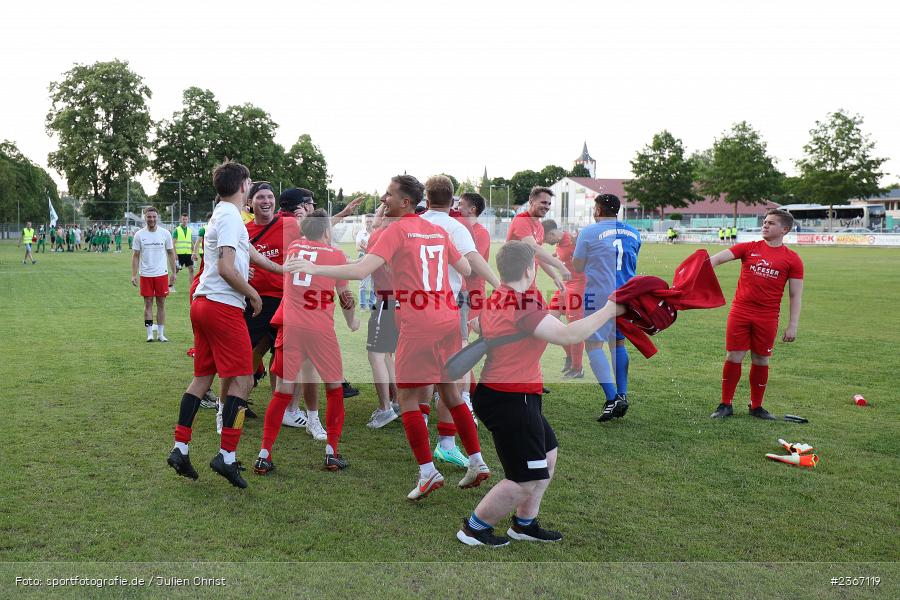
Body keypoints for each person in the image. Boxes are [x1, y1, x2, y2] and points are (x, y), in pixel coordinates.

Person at [285, 174, 490, 501]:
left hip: (419, 322)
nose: (382, 199)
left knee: (408, 400)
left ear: (405, 202)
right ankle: (477, 462)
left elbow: (358, 271)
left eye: (388, 195)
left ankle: (427, 473)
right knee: (450, 393)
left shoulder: (395, 231)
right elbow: (466, 269)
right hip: (448, 318)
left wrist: (312, 269)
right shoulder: (437, 229)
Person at [456, 241, 625, 547]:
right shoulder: (523, 304)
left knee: (546, 457)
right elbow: (569, 336)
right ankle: (474, 528)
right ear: (530, 269)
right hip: (509, 398)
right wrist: (609, 310)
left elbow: (485, 326)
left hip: (513, 394)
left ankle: (524, 525)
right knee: (524, 478)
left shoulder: (500, 297)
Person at [167, 161, 263, 489]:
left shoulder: (220, 213)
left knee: (202, 378)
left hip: (202, 303)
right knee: (244, 381)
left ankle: (180, 448)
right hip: (222, 306)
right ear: (243, 186)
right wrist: (253, 294)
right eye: (249, 184)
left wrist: (279, 270)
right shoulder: (233, 217)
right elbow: (226, 267)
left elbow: (241, 255)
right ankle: (228, 456)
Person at [255, 209, 360, 474]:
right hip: (319, 327)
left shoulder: (293, 247)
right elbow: (345, 295)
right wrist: (352, 322)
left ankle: (264, 454)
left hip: (291, 327)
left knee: (282, 392)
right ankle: (331, 453)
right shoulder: (335, 255)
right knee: (335, 389)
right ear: (327, 230)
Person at [419, 176, 500, 469]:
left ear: (425, 199)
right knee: (451, 375)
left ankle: (423, 432)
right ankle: (446, 444)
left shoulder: (411, 224)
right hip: (445, 307)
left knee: (416, 376)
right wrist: (500, 285)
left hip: (413, 308)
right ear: (452, 201)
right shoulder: (455, 226)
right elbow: (472, 260)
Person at [709, 209, 804, 420]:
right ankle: (725, 404)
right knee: (734, 355)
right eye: (765, 222)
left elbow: (795, 295)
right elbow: (714, 260)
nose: (765, 225)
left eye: (771, 223)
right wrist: (696, 273)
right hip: (740, 312)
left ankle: (756, 406)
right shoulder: (749, 247)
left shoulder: (792, 259)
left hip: (767, 317)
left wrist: (793, 325)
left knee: (761, 359)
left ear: (784, 229)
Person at [572, 194, 641, 422]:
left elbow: (578, 265)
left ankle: (613, 399)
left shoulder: (589, 231)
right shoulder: (633, 232)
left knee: (593, 344)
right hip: (626, 293)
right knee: (618, 343)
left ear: (598, 209)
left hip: (598, 293)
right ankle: (622, 393)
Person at [364, 201, 400, 429]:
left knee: (376, 355)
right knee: (388, 355)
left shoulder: (380, 235)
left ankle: (385, 408)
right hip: (403, 301)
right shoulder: (399, 233)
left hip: (386, 301)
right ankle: (397, 401)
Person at [542, 220, 587, 378]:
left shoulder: (574, 241)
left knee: (574, 327)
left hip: (578, 287)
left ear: (553, 233)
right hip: (564, 287)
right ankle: (569, 356)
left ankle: (577, 368)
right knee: (548, 322)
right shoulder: (559, 244)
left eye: (547, 238)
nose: (546, 242)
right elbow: (558, 255)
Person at [506, 187, 571, 292]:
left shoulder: (540, 227)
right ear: (531, 202)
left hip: (529, 285)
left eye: (549, 204)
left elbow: (538, 257)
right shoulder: (521, 220)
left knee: (543, 308)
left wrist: (554, 276)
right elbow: (534, 248)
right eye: (543, 202)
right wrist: (559, 265)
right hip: (515, 286)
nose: (546, 206)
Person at [131, 207, 176, 342]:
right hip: (145, 274)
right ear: (145, 218)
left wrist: (174, 272)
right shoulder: (139, 235)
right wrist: (134, 275)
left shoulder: (165, 233)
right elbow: (135, 256)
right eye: (149, 217)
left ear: (157, 217)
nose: (151, 219)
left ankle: (161, 334)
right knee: (148, 303)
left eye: (154, 217)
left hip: (161, 274)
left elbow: (170, 253)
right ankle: (150, 334)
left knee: (161, 303)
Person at [356, 214, 376, 310]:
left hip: (375, 260)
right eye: (367, 221)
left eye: (370, 221)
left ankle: (372, 305)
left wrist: (366, 248)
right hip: (364, 259)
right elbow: (357, 247)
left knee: (374, 284)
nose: (369, 223)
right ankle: (363, 305)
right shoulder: (361, 233)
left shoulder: (377, 233)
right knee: (363, 284)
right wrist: (370, 249)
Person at [173, 213, 195, 290]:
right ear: (180, 220)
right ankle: (170, 286)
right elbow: (173, 243)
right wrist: (175, 254)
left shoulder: (189, 230)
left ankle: (192, 288)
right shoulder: (177, 230)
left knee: (192, 270)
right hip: (180, 254)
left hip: (188, 254)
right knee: (176, 270)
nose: (185, 221)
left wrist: (194, 252)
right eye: (183, 219)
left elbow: (191, 242)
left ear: (188, 220)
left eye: (186, 219)